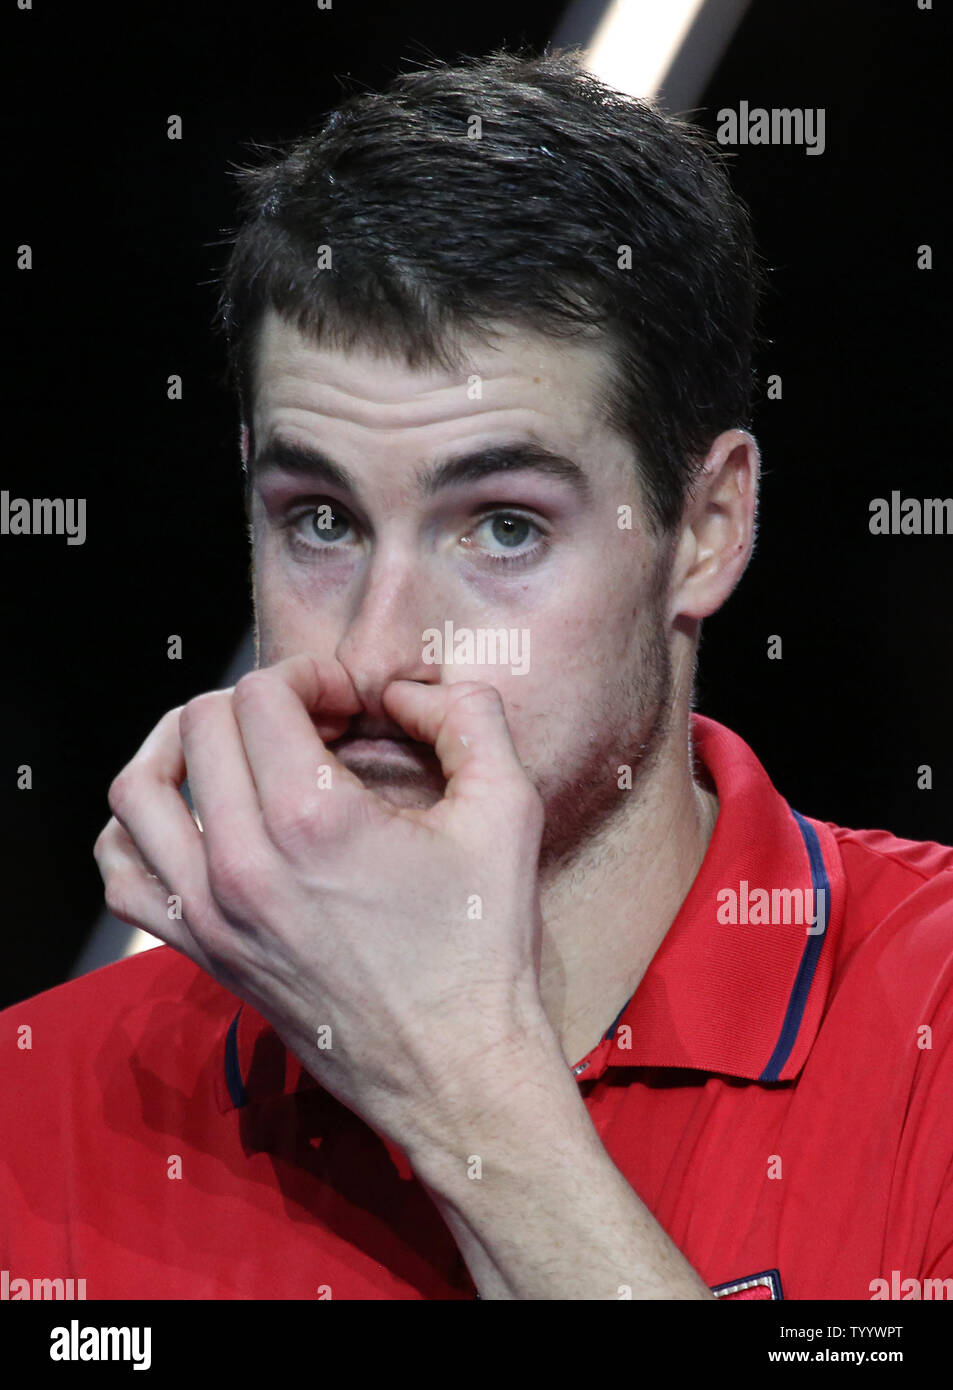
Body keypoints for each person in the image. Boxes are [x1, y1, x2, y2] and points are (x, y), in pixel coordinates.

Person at [2, 47, 950, 1303]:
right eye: (320, 519)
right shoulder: (40, 1101)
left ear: (709, 526)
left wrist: (456, 1084)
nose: (376, 647)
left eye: (503, 525)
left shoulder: (927, 1015)